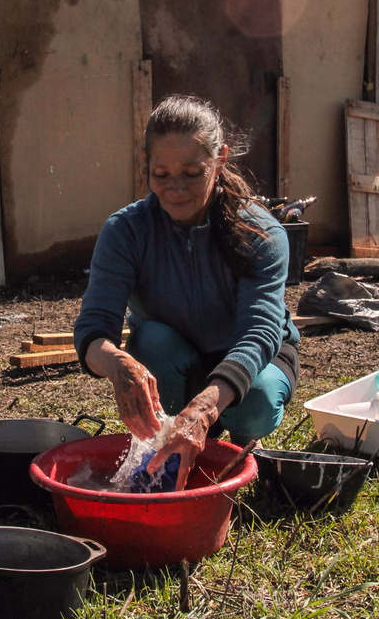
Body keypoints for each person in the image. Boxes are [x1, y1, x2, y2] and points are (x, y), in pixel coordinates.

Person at [73, 95, 300, 490]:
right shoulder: (126, 231)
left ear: (221, 159)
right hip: (174, 355)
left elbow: (259, 332)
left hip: (248, 358)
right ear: (145, 161)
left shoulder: (260, 234)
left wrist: (207, 406)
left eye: (193, 172)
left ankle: (243, 445)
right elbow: (94, 328)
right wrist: (116, 364)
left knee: (256, 403)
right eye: (160, 173)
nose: (175, 189)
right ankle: (173, 440)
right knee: (153, 340)